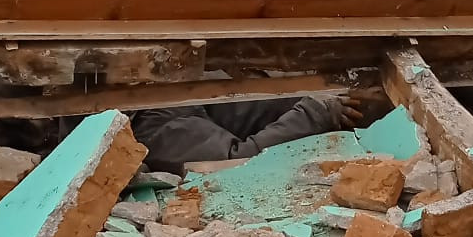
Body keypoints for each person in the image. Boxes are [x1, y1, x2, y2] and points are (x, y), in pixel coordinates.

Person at [131, 91, 362, 175]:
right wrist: (315, 113)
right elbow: (239, 160)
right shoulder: (158, 136)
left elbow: (254, 106)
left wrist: (319, 99)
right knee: (235, 161)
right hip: (142, 118)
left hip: (147, 98)